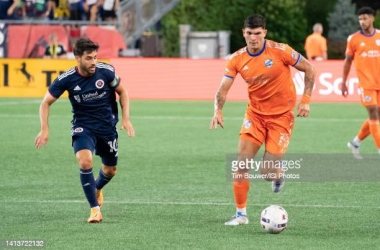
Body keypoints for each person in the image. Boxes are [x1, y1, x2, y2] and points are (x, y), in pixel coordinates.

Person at [209, 14, 315, 226]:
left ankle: (277, 173)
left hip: (282, 118)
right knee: (241, 165)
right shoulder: (236, 59)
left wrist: (306, 100)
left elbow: (309, 69)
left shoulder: (281, 50)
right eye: (249, 33)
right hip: (255, 116)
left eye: (257, 33)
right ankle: (241, 215)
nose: (253, 38)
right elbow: (223, 89)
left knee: (266, 172)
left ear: (264, 33)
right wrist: (218, 110)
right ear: (243, 33)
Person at [35, 38, 135, 223]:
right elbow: (45, 103)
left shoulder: (106, 71)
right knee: (85, 160)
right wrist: (44, 129)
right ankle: (94, 210)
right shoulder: (66, 79)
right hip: (83, 126)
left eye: (95, 57)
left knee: (111, 170)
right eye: (89, 58)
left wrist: (126, 118)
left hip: (107, 127)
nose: (93, 62)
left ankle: (96, 188)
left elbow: (123, 92)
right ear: (77, 58)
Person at [343, 7, 380, 159]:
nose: (362, 21)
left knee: (377, 115)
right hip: (366, 84)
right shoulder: (353, 39)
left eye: (365, 18)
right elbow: (347, 61)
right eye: (360, 19)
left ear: (372, 18)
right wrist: (343, 82)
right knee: (373, 112)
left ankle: (355, 142)